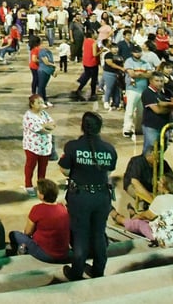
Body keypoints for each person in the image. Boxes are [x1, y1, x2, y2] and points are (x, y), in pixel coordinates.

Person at [58, 111, 117, 281]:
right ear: (100, 128)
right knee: (99, 233)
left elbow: (65, 170)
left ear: (82, 126)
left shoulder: (72, 147)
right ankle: (98, 270)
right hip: (102, 196)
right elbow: (109, 170)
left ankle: (76, 272)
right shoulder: (109, 149)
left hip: (80, 196)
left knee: (80, 234)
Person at [110, 174, 173, 247]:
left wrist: (136, 217)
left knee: (138, 223)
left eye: (160, 182)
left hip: (167, 241)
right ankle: (132, 215)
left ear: (166, 187)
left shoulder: (161, 199)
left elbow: (147, 216)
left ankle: (119, 218)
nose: (158, 183)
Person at [8, 178, 70, 263]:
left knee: (14, 234)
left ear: (42, 195)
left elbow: (28, 232)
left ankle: (22, 251)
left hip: (46, 254)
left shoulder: (37, 209)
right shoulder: (63, 208)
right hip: (63, 253)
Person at [140, 73, 173, 155]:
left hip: (165, 126)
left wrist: (164, 104)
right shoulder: (147, 93)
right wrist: (171, 106)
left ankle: (158, 167)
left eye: (161, 81)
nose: (159, 83)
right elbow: (158, 110)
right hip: (151, 126)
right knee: (150, 149)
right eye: (157, 81)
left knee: (163, 147)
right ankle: (145, 167)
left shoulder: (167, 92)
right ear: (150, 81)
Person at [21, 94, 55, 196]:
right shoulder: (28, 116)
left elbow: (53, 124)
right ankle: (28, 185)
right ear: (32, 104)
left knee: (43, 168)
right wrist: (45, 126)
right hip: (32, 147)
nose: (41, 104)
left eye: (42, 102)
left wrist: (45, 126)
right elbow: (41, 131)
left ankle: (41, 187)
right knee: (30, 166)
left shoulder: (44, 113)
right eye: (38, 103)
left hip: (45, 147)